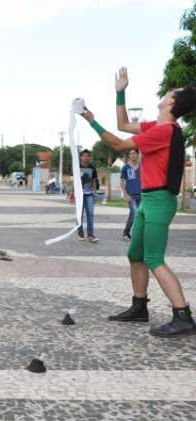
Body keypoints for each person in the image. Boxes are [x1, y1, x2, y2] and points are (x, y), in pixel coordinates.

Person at [82, 67, 196, 337]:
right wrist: (120, 92)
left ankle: (183, 316)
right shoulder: (158, 127)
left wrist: (93, 123)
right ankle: (139, 306)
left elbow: (121, 145)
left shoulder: (165, 131)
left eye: (172, 92)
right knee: (135, 254)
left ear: (172, 102)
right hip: (149, 199)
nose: (168, 91)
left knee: (154, 258)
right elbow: (123, 125)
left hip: (158, 201)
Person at [77, 150, 99, 243]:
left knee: (90, 214)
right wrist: (73, 193)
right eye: (84, 156)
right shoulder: (77, 167)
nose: (86, 157)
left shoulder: (92, 168)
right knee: (80, 215)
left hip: (89, 194)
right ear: (81, 157)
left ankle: (90, 234)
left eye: (87, 156)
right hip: (79, 195)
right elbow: (74, 180)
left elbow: (94, 181)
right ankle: (80, 233)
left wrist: (94, 193)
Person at [120, 150, 142, 241]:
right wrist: (125, 195)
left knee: (138, 214)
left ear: (137, 155)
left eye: (134, 153)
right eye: (131, 154)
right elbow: (122, 182)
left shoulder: (142, 167)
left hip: (142, 195)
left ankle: (127, 233)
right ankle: (126, 233)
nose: (132, 155)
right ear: (129, 156)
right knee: (135, 213)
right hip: (131, 195)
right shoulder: (125, 167)